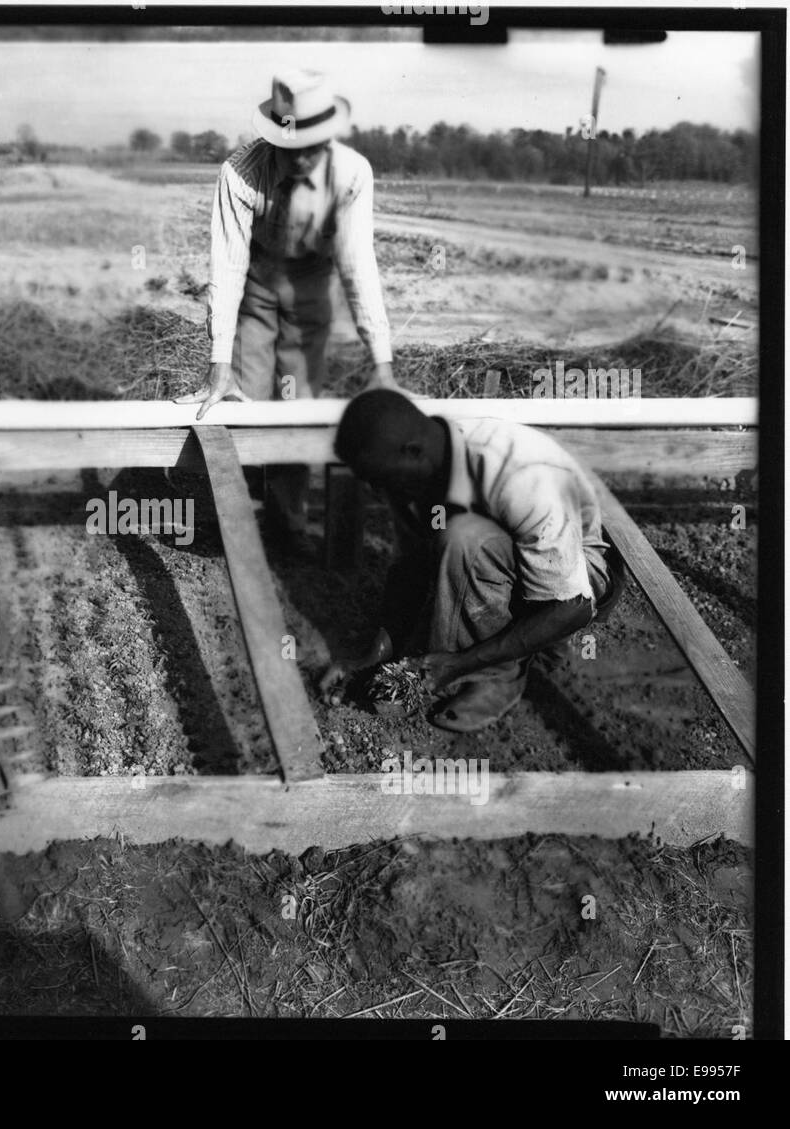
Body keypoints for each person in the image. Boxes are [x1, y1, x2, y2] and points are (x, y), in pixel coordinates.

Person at [176, 68, 397, 558]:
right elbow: (228, 266)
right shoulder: (240, 172)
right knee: (243, 399)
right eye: (294, 147)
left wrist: (382, 367)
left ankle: (286, 521)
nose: (304, 158)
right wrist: (219, 365)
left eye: (315, 147)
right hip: (256, 287)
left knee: (296, 404)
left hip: (310, 294)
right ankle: (231, 518)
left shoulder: (352, 174)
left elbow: (358, 266)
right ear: (276, 137)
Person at [320, 389, 627, 732]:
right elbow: (412, 564)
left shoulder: (519, 474)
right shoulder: (418, 468)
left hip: (583, 574)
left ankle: (498, 677)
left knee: (465, 539)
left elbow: (573, 606)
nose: (378, 492)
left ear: (413, 451)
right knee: (452, 539)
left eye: (379, 479)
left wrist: (456, 664)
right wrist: (379, 648)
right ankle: (479, 643)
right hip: (519, 560)